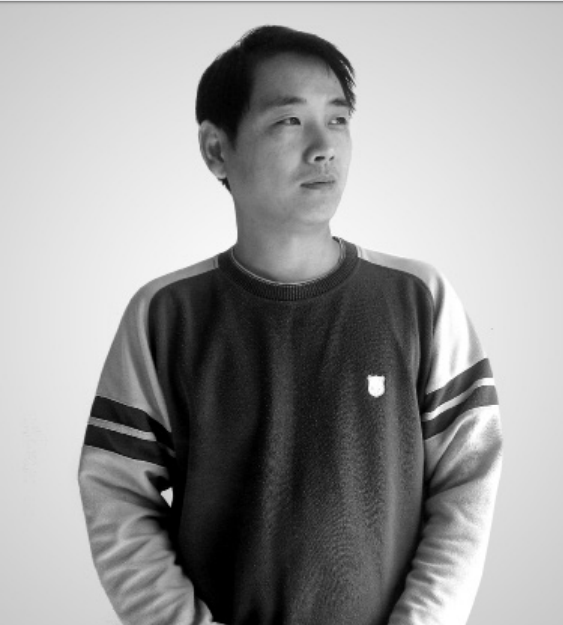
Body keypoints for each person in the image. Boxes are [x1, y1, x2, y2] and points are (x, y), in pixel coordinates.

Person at [78, 25, 503, 625]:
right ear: (216, 150)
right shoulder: (166, 315)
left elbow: (467, 482)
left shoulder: (418, 299)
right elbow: (117, 496)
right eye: (288, 120)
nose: (324, 147)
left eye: (338, 119)